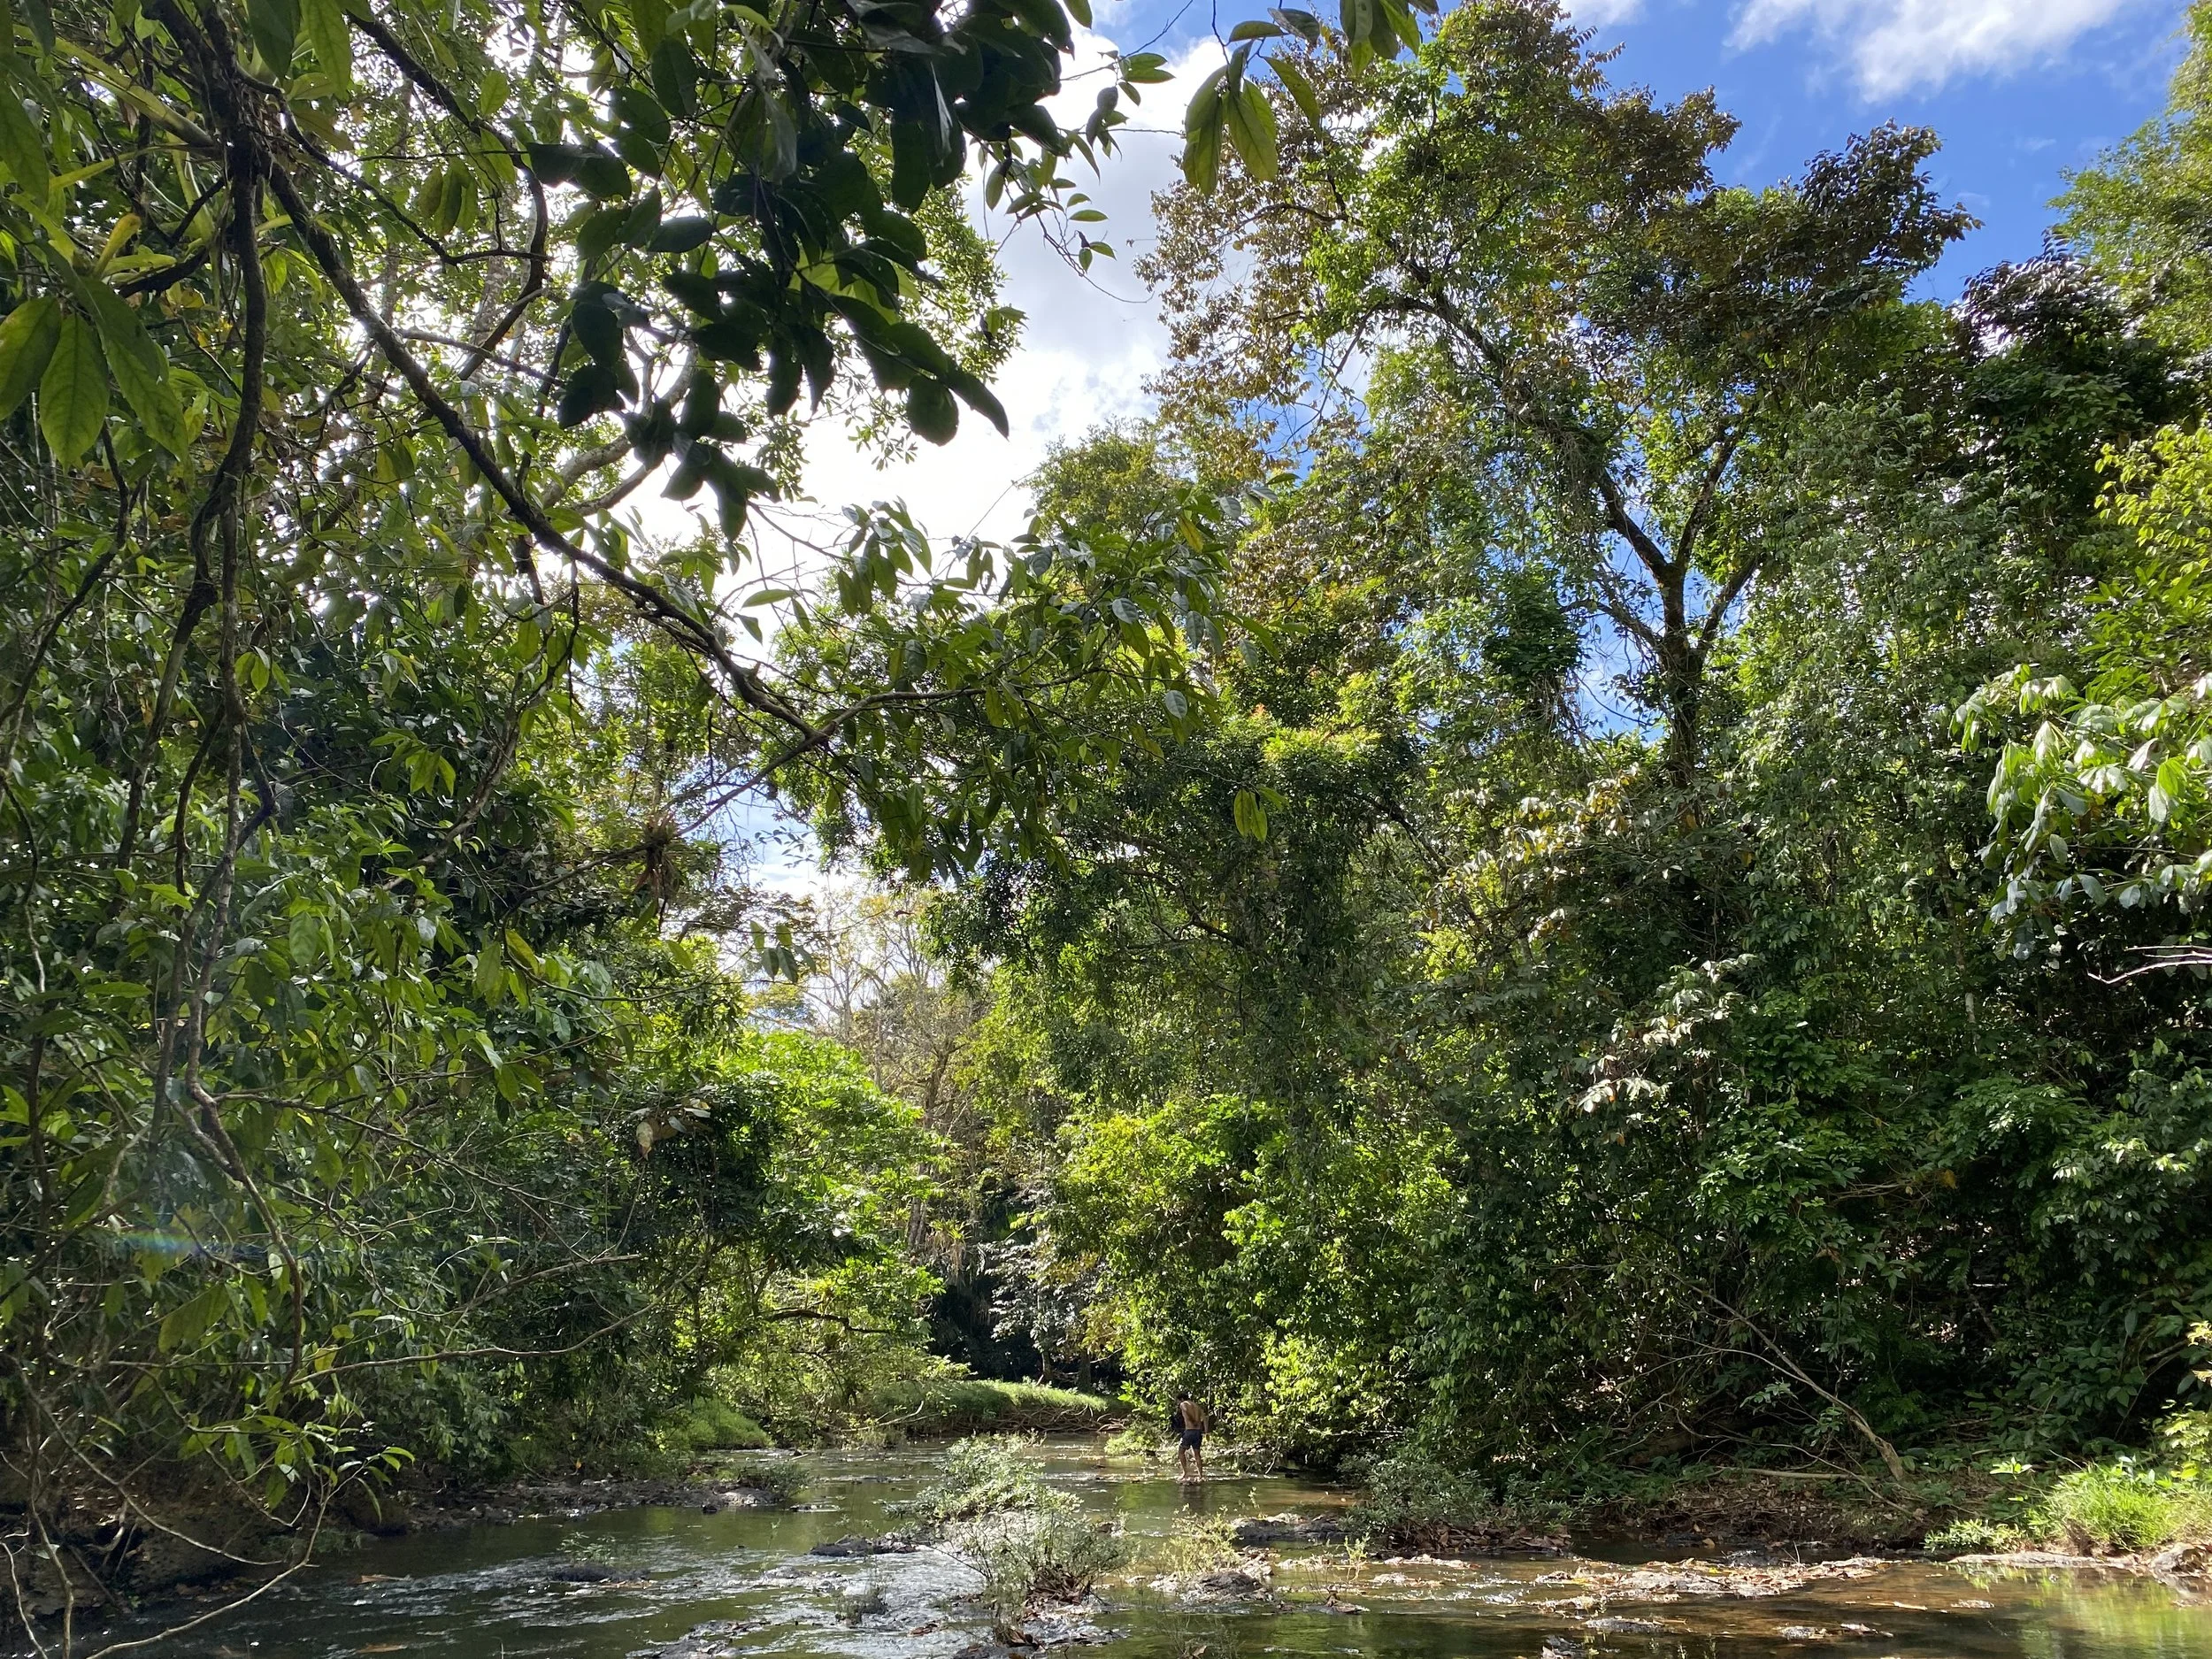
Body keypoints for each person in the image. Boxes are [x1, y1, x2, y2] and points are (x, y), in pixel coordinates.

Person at [1172, 1391, 1208, 1483]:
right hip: (1198, 1432)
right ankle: (1200, 1476)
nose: (1178, 1403)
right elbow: (1204, 1418)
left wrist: (1193, 1421)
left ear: (1182, 1399)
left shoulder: (1184, 1403)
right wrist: (1206, 1431)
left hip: (1189, 1431)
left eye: (1178, 1401)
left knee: (1181, 1452)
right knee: (1197, 1454)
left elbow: (1186, 1411)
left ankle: (1185, 1473)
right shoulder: (1197, 1406)